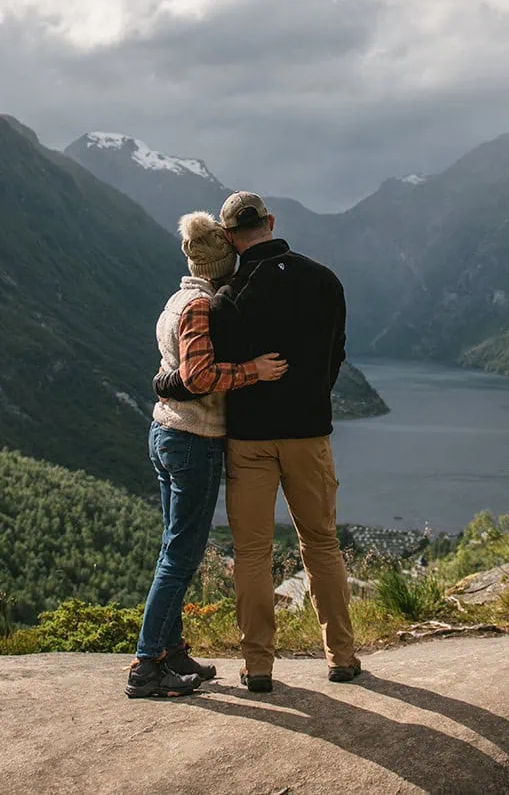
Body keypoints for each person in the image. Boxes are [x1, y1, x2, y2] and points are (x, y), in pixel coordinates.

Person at [157, 191, 362, 692]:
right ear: (271, 221)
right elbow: (336, 356)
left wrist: (162, 384)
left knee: (252, 553)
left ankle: (259, 667)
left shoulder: (227, 299)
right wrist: (309, 397)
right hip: (309, 434)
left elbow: (199, 374)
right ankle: (341, 656)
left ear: (228, 236)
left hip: (248, 442)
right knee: (321, 543)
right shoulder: (325, 281)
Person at [126, 211, 289, 699]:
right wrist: (253, 371)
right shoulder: (200, 305)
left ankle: (171, 651)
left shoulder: (177, 298)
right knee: (182, 554)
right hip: (193, 440)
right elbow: (198, 379)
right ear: (221, 264)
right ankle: (145, 665)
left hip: (165, 433)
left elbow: (173, 372)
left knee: (171, 548)